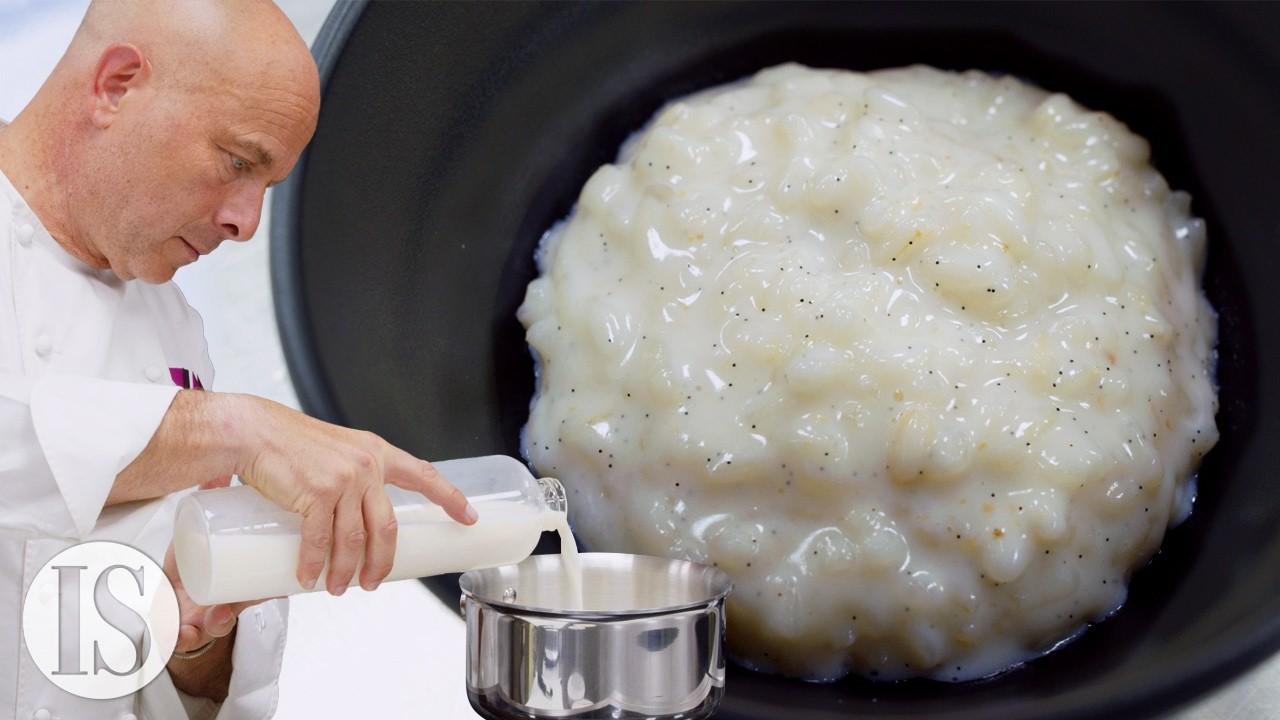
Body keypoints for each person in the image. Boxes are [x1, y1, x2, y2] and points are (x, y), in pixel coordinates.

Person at [0, 0, 477, 717]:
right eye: (236, 161)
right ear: (117, 85)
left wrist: (196, 644)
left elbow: (117, 667)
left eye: (267, 186)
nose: (246, 222)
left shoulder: (175, 335)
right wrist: (239, 431)